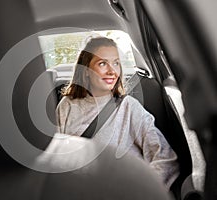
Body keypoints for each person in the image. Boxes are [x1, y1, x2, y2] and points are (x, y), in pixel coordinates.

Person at [56, 37, 179, 189]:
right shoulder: (67, 105)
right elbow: (57, 157)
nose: (112, 71)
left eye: (116, 63)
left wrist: (138, 191)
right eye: (102, 63)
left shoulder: (129, 106)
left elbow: (165, 158)